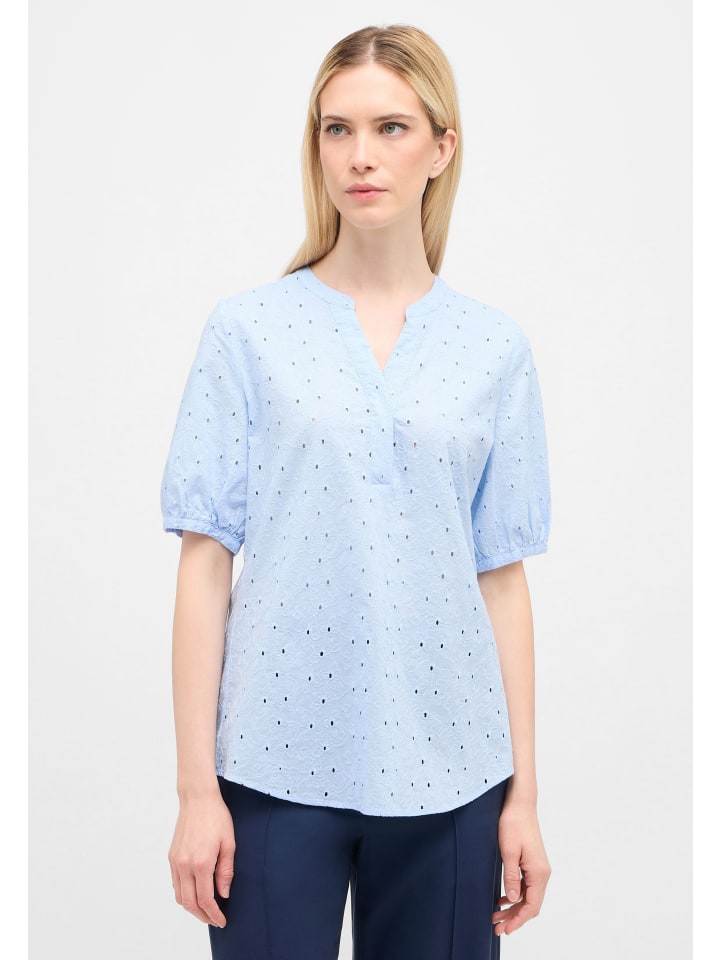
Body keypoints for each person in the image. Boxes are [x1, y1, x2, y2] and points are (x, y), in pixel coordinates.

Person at [161, 23, 552, 960]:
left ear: (442, 148)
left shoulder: (493, 348)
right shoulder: (248, 332)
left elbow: (501, 578)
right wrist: (196, 790)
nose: (360, 156)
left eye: (390, 128)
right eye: (337, 129)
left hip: (454, 773)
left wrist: (525, 798)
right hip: (272, 764)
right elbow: (204, 566)